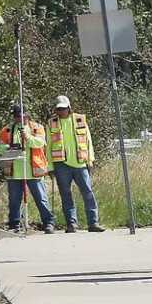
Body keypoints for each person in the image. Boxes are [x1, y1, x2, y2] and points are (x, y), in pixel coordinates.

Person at [46, 96, 105, 233]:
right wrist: (50, 167)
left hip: (80, 163)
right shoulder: (51, 123)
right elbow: (48, 146)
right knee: (66, 195)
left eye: (64, 108)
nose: (61, 111)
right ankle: (71, 224)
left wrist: (90, 159)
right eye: (59, 109)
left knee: (88, 193)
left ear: (69, 107)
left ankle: (93, 223)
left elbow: (88, 140)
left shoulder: (80, 120)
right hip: (61, 165)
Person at [0, 105, 55, 233]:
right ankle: (15, 224)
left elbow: (40, 143)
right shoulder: (7, 129)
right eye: (17, 116)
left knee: (41, 198)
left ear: (27, 116)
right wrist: (9, 148)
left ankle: (48, 223)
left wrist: (28, 138)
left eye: (21, 116)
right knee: (14, 200)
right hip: (15, 171)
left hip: (33, 171)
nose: (19, 119)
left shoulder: (37, 128)